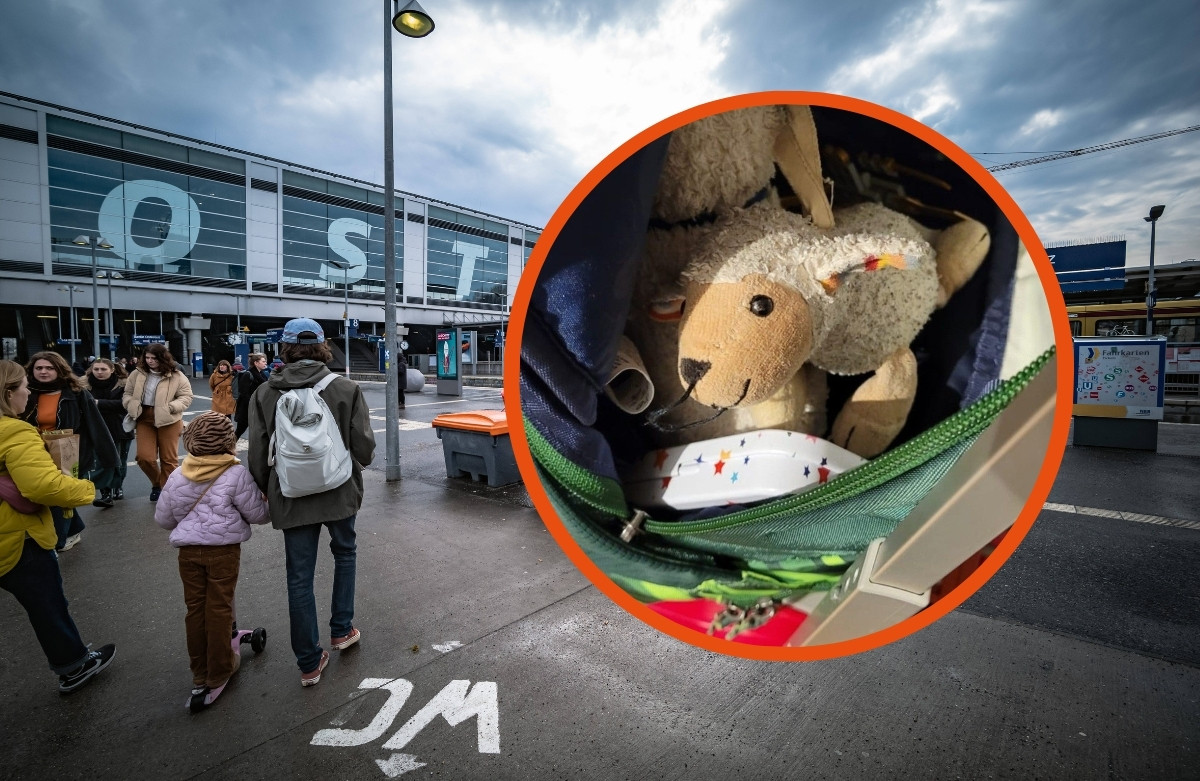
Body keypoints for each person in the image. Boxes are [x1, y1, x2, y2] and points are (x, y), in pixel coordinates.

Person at [248, 318, 374, 687]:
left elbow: (258, 452)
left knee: (299, 577)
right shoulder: (346, 388)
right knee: (345, 554)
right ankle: (341, 630)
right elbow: (363, 447)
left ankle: (308, 662)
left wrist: (264, 487)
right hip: (338, 491)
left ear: (283, 349)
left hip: (290, 495)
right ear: (323, 347)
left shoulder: (265, 392)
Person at [0, 360, 117, 694]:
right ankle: (75, 665)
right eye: (24, 384)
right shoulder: (15, 430)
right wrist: (87, 490)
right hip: (16, 535)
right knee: (47, 604)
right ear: (10, 393)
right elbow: (43, 487)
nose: (28, 390)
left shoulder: (70, 395)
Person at [154, 411, 269, 711]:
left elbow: (163, 519)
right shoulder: (235, 473)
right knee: (219, 607)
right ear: (228, 442)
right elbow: (258, 514)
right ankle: (220, 671)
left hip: (188, 553)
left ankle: (200, 671)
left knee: (196, 609)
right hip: (223, 551)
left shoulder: (178, 474)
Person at [20, 351, 117, 548]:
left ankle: (59, 539)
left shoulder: (76, 392)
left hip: (67, 450)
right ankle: (73, 530)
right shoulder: (25, 391)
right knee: (42, 495)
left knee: (59, 494)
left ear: (59, 370)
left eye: (49, 368)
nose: (44, 372)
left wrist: (109, 458)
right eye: (39, 368)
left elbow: (96, 424)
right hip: (33, 450)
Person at [123, 343, 193, 502]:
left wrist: (171, 407)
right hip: (144, 418)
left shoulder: (176, 374)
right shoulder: (137, 374)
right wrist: (130, 404)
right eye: (147, 357)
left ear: (162, 358)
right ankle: (158, 483)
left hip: (169, 419)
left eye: (153, 358)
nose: (149, 361)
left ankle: (166, 491)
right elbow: (127, 393)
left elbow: (186, 396)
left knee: (169, 460)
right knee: (144, 457)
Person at [83, 358, 134, 504]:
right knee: (101, 461)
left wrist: (98, 403)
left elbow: (125, 405)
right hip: (95, 428)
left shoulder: (124, 384)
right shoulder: (83, 386)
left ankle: (117, 486)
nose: (99, 372)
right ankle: (105, 492)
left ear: (112, 370)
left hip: (120, 428)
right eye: (96, 369)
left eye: (103, 369)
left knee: (120, 461)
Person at [233, 353, 269, 439]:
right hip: (247, 409)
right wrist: (253, 403)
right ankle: (228, 448)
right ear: (256, 363)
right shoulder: (248, 374)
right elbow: (243, 393)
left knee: (260, 432)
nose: (265, 363)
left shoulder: (263, 375)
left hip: (258, 408)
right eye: (263, 361)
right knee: (239, 431)